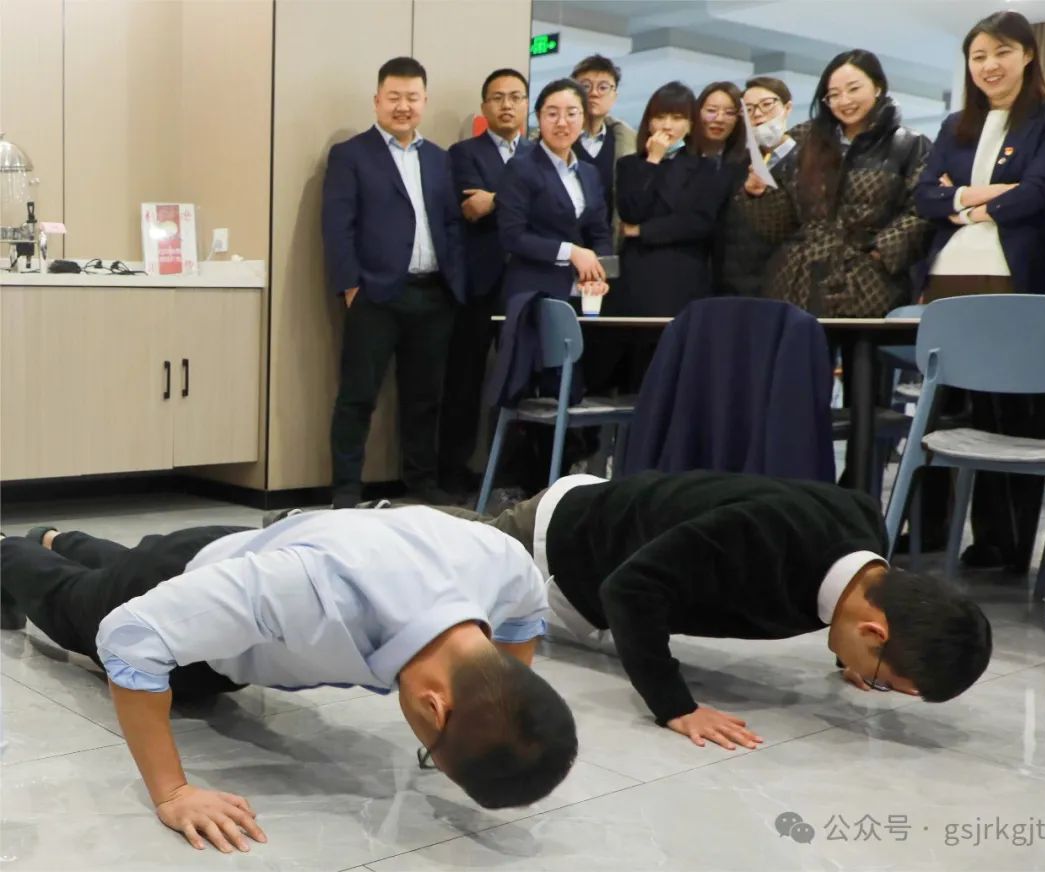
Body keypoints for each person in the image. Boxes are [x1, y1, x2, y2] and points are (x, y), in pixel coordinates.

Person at [0, 509, 577, 852]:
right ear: (434, 708)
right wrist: (173, 793)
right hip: (199, 582)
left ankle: (58, 538)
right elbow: (128, 638)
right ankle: (10, 551)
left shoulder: (501, 565)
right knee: (73, 603)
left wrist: (495, 700)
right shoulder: (312, 593)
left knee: (129, 567)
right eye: (431, 748)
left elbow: (525, 614)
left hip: (245, 555)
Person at [436, 471, 992, 750]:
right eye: (883, 679)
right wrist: (675, 706)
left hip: (619, 517)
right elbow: (627, 589)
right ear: (873, 630)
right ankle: (383, 517)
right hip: (563, 539)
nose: (875, 684)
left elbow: (863, 606)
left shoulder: (867, 541)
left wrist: (853, 657)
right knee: (433, 546)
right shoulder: (765, 539)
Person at [911, 10, 1045, 568]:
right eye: (978, 56)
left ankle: (1002, 544)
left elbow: (1042, 192)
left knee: (1014, 414)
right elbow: (925, 197)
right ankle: (926, 531)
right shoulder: (954, 126)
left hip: (1016, 279)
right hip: (947, 280)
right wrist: (980, 197)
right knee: (942, 412)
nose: (989, 65)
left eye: (1002, 52)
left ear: (1027, 55)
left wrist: (957, 197)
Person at [322, 57, 466, 509]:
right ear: (377, 100)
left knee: (424, 399)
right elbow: (337, 227)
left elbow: (451, 224)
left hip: (434, 294)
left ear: (424, 101)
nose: (403, 106)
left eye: (412, 98)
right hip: (375, 295)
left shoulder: (439, 159)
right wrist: (351, 286)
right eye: (394, 97)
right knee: (357, 396)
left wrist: (455, 282)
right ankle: (346, 489)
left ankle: (420, 484)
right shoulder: (351, 155)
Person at [740, 50, 933, 317]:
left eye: (854, 89)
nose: (844, 101)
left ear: (877, 87)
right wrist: (758, 195)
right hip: (795, 282)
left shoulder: (909, 145)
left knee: (858, 346)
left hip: (869, 287)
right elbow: (779, 227)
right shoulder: (803, 141)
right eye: (834, 94)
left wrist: (877, 255)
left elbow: (921, 211)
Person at [583, 81, 724, 395]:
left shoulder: (706, 169)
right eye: (660, 117)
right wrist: (653, 162)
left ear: (691, 124)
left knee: (677, 370)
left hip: (683, 277)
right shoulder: (631, 165)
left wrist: (645, 231)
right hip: (637, 278)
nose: (667, 126)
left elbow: (699, 223)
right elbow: (631, 210)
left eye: (677, 118)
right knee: (634, 369)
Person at [438, 68, 532, 497]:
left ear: (526, 105)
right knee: (465, 382)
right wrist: (521, 199)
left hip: (525, 282)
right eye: (498, 97)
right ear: (484, 107)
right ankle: (453, 473)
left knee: (520, 381)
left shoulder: (537, 153)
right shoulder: (463, 154)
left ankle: (513, 471)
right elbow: (471, 209)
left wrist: (496, 198)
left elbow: (533, 206)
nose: (507, 105)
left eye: (515, 97)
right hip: (478, 284)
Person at [497, 78, 612, 304]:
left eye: (571, 113)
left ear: (583, 118)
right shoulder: (520, 168)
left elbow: (600, 232)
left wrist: (597, 271)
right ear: (539, 118)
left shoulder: (589, 172)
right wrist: (571, 252)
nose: (561, 122)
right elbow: (513, 236)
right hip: (532, 292)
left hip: (581, 292)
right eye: (552, 114)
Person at [714, 77, 798, 299]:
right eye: (749, 109)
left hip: (788, 280)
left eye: (767, 105)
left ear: (787, 108)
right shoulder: (740, 164)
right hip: (739, 283)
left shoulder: (808, 159)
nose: (758, 114)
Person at [571, 55, 638, 239]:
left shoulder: (627, 141)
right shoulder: (556, 138)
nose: (594, 93)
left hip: (609, 242)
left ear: (614, 95)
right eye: (585, 86)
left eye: (603, 87)